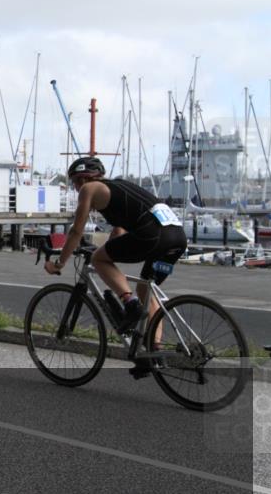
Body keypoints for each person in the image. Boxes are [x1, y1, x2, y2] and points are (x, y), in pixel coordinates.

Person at [45, 156, 187, 378]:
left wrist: (59, 263)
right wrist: (106, 250)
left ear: (82, 178)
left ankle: (129, 305)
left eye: (74, 183)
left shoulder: (89, 189)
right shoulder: (120, 188)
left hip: (153, 237)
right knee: (146, 290)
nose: (75, 189)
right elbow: (119, 233)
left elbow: (76, 231)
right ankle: (153, 352)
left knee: (99, 260)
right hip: (177, 240)